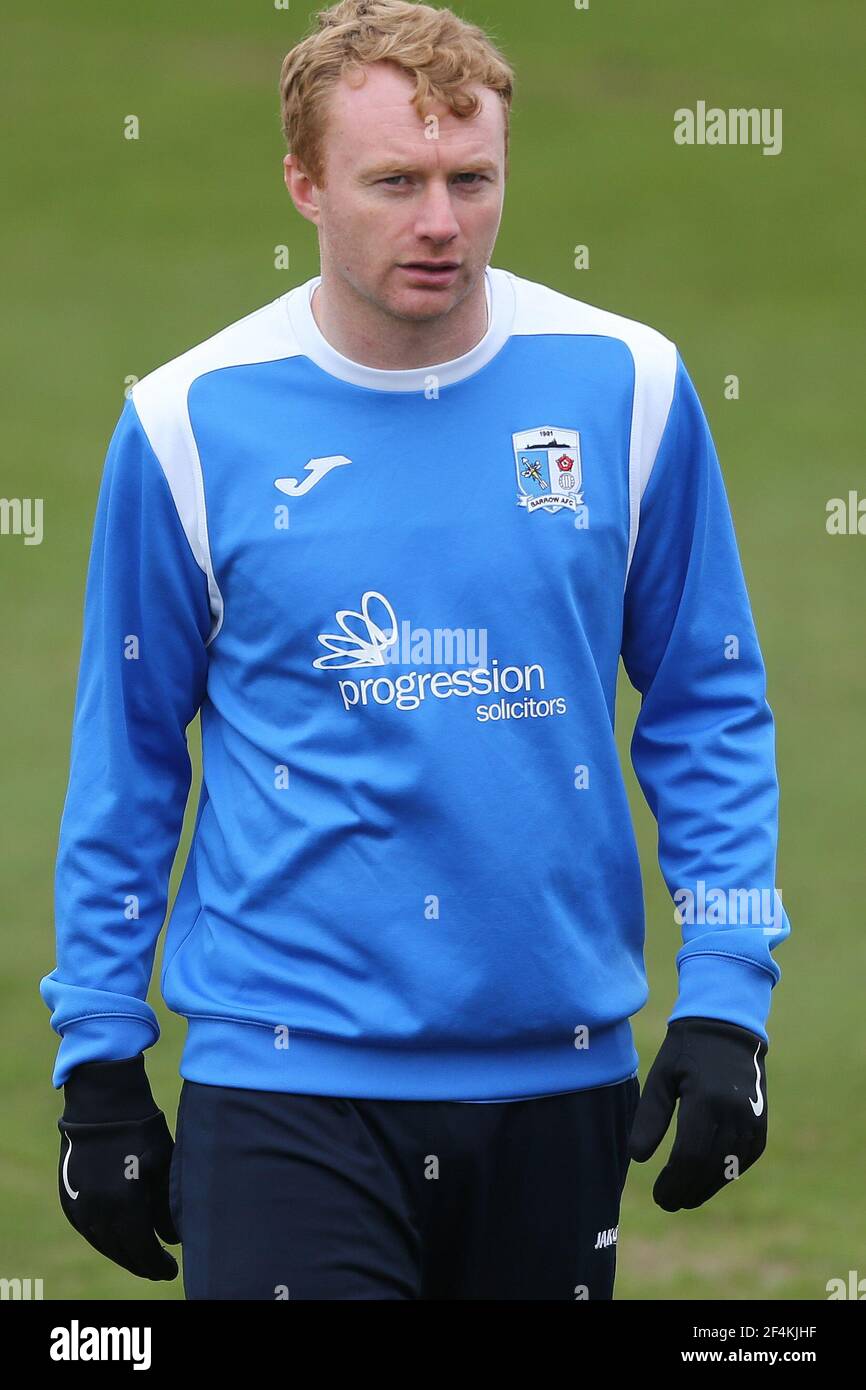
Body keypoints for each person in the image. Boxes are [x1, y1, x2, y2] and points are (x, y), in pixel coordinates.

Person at [40, 0, 790, 1301]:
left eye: (471, 179)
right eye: (393, 182)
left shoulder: (629, 387)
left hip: (560, 1073)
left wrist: (725, 992)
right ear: (305, 184)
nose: (439, 222)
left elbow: (706, 703)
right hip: (285, 1084)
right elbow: (130, 754)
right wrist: (99, 1062)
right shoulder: (187, 422)